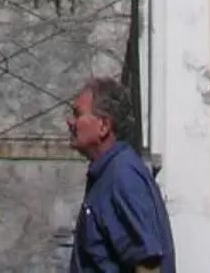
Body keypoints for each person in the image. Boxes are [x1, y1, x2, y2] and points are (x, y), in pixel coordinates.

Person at [67, 77, 175, 273]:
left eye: (78, 115)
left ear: (103, 126)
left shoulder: (123, 176)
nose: (70, 122)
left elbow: (147, 262)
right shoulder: (106, 174)